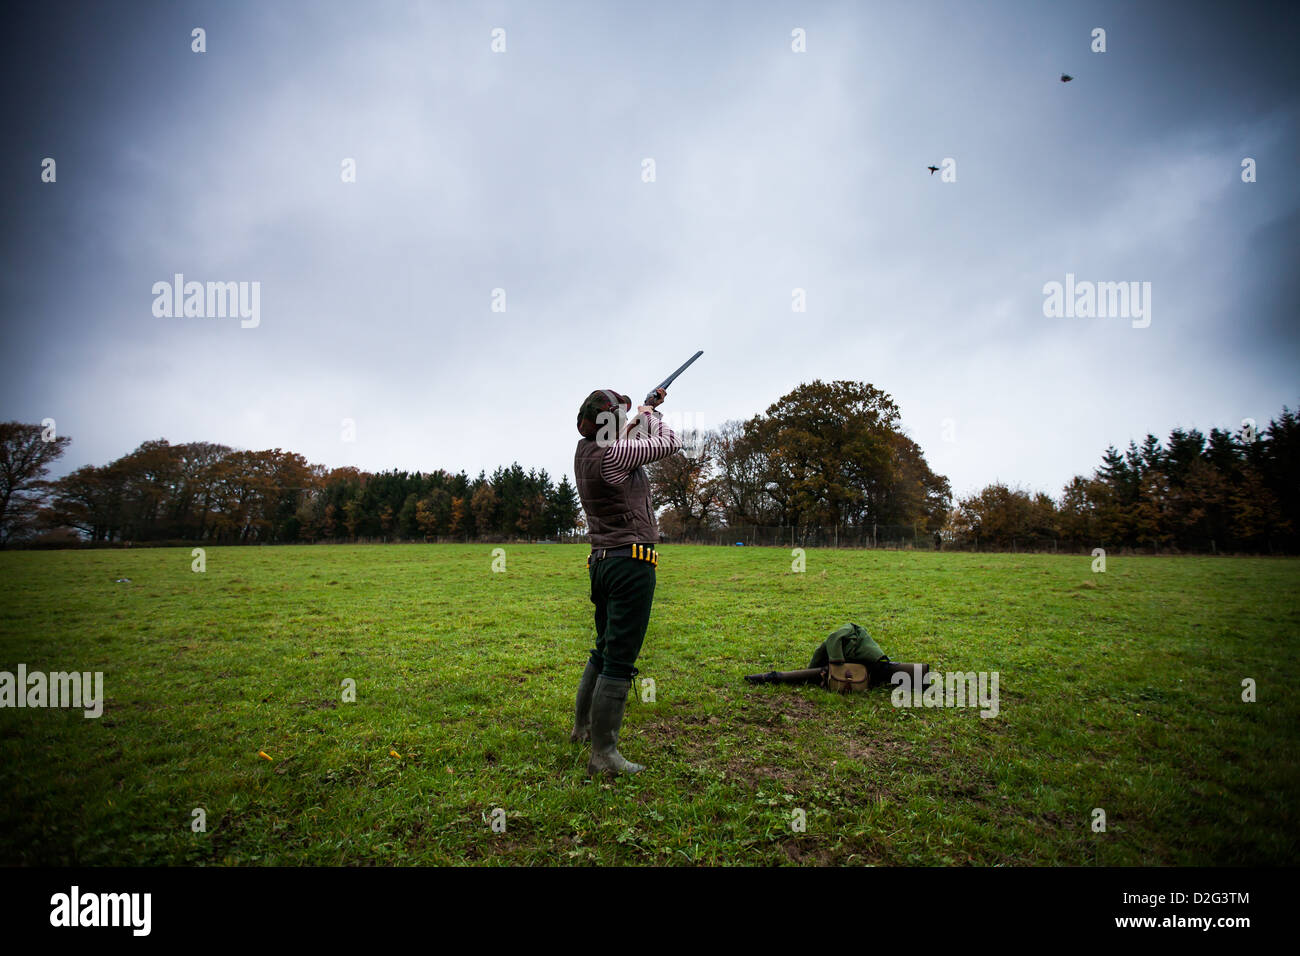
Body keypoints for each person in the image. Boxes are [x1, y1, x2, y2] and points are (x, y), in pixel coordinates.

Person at [570, 386, 681, 776]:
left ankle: (582, 729)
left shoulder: (586, 452)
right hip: (630, 564)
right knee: (618, 659)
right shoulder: (617, 453)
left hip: (600, 562)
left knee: (602, 650)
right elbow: (668, 442)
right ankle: (604, 755)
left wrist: (636, 418)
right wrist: (651, 414)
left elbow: (623, 442)